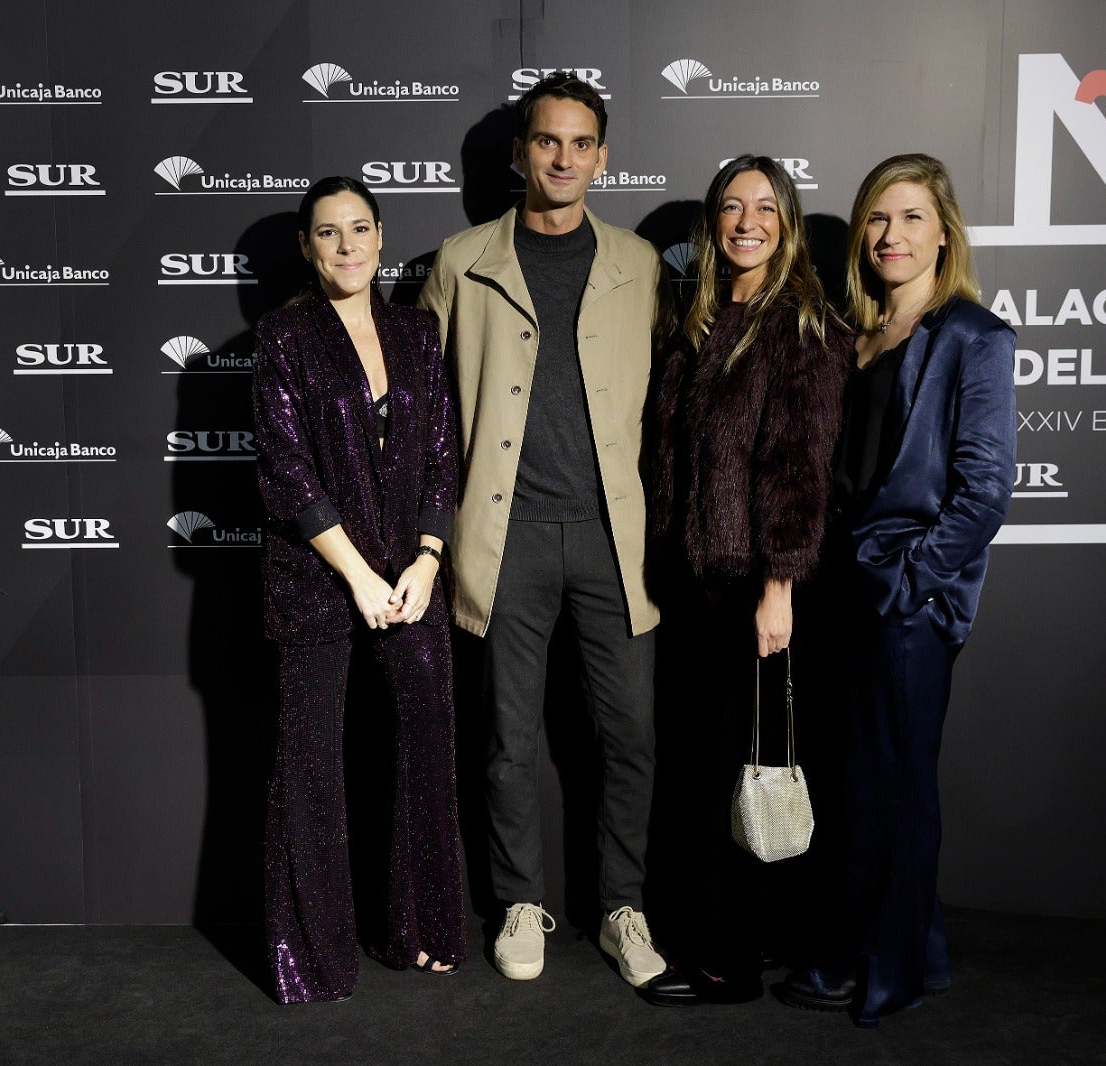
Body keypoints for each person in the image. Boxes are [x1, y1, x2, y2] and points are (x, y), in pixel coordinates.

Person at [417, 72, 666, 987]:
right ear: (520, 152)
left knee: (630, 733)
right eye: (547, 141)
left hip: (612, 534)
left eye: (581, 143)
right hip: (505, 532)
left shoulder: (639, 264)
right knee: (509, 739)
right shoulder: (462, 260)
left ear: (602, 156)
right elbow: (426, 412)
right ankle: (521, 899)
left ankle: (623, 908)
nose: (563, 159)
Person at [775, 154, 1016, 1028]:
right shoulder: (858, 334)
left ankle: (886, 966)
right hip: (841, 591)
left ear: (943, 232)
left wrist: (912, 582)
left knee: (897, 786)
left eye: (911, 218)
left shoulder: (974, 339)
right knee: (860, 784)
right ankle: (922, 947)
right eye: (878, 218)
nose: (890, 236)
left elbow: (984, 490)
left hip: (907, 601)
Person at [639, 155, 848, 1006]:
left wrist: (781, 586)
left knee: (746, 771)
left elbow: (800, 469)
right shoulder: (697, 315)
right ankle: (719, 938)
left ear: (788, 222)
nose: (746, 222)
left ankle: (729, 961)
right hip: (695, 583)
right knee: (702, 768)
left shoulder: (804, 324)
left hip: (758, 590)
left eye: (765, 207)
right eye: (732, 206)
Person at [253, 176, 464, 1003]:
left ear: (382, 238)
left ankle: (423, 929)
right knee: (310, 764)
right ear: (309, 248)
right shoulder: (283, 336)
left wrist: (425, 561)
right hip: (318, 577)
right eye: (329, 233)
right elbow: (286, 471)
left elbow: (443, 453)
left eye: (361, 229)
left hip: (409, 577)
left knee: (426, 744)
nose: (347, 246)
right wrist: (360, 574)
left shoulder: (417, 331)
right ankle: (313, 958)